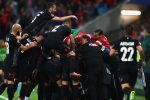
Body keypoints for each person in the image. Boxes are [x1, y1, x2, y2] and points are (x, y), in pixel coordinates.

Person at [0, 24, 37, 100]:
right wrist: (31, 45)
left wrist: (22, 38)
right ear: (16, 30)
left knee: (6, 82)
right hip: (11, 63)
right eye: (20, 29)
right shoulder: (14, 39)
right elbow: (23, 48)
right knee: (10, 83)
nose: (21, 31)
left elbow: (14, 41)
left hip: (7, 61)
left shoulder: (8, 36)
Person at [110, 25, 146, 100]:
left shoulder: (119, 41)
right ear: (132, 32)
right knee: (131, 86)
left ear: (124, 32)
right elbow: (140, 50)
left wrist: (119, 52)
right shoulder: (135, 41)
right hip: (133, 67)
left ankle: (127, 95)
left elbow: (111, 53)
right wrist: (143, 60)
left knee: (125, 88)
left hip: (123, 67)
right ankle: (131, 95)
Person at [76, 35, 108, 100]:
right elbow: (107, 52)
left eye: (82, 40)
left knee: (92, 87)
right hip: (101, 68)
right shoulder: (96, 45)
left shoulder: (85, 46)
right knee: (100, 86)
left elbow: (75, 52)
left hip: (92, 69)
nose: (81, 42)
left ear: (86, 40)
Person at [142, 24, 150, 100]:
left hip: (147, 68)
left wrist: (141, 62)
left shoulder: (145, 41)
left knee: (147, 86)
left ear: (146, 31)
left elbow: (143, 52)